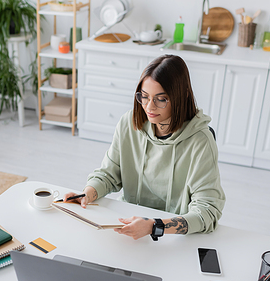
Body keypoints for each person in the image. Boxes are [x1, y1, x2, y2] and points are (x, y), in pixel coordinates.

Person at [63, 54, 226, 241]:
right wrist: (87, 194)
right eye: (144, 97)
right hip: (127, 224)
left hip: (172, 235)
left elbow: (207, 211)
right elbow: (109, 173)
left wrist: (153, 226)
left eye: (161, 99)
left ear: (181, 97)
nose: (149, 106)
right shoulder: (129, 122)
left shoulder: (201, 141)